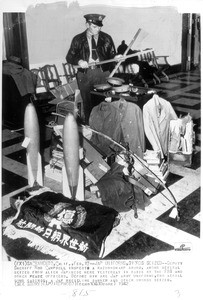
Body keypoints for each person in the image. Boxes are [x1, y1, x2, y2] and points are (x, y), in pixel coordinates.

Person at [66, 13, 121, 124]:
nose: (98, 29)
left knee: (103, 101)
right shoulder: (78, 39)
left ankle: (103, 126)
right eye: (94, 27)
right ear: (87, 25)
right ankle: (90, 126)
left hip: (102, 73)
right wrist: (79, 61)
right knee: (88, 103)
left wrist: (117, 57)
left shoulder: (106, 38)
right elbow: (69, 57)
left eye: (99, 27)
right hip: (85, 74)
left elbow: (112, 55)